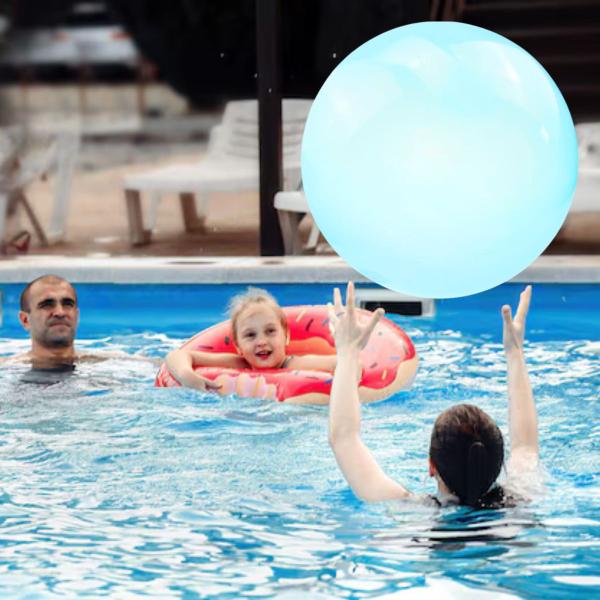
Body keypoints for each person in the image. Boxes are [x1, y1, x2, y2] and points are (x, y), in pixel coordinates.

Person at [327, 281, 539, 508]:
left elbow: (344, 437)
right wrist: (515, 353)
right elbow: (525, 446)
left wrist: (348, 352)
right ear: (500, 464)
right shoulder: (518, 502)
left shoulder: (414, 515)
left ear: (431, 466)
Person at [167, 287, 339, 391]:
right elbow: (177, 355)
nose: (261, 341)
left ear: (286, 336)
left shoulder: (295, 365)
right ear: (238, 345)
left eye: (270, 331)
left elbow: (343, 363)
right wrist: (185, 375)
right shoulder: (239, 363)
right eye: (250, 335)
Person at [2, 274, 157, 369]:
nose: (60, 312)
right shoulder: (7, 368)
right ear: (25, 320)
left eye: (67, 304)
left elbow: (164, 366)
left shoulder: (114, 362)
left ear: (76, 316)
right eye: (47, 304)